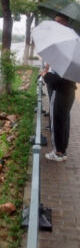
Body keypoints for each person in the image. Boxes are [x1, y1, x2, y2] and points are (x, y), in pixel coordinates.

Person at [41, 14, 76, 162]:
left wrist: (45, 75)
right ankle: (63, 150)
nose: (56, 24)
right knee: (64, 121)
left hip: (61, 91)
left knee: (57, 122)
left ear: (65, 23)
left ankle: (58, 152)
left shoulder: (64, 45)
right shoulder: (73, 44)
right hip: (69, 90)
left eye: (58, 22)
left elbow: (58, 78)